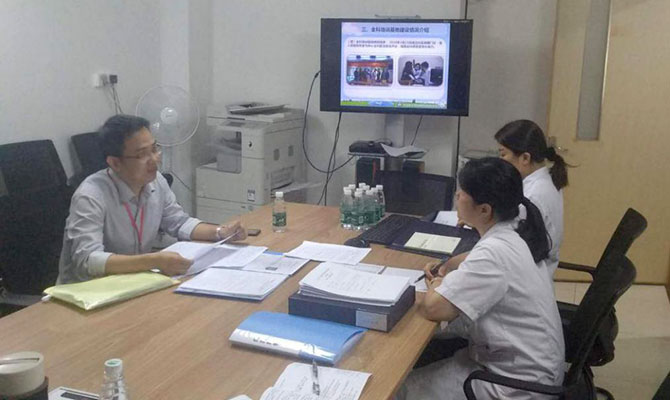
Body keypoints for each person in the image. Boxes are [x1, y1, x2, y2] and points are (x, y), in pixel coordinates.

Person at [396, 158, 564, 400]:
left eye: (462, 193)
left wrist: (437, 283)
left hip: (515, 384)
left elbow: (434, 308)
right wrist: (450, 265)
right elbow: (480, 258)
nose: (457, 196)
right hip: (522, 363)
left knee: (399, 390)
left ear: (484, 210)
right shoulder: (513, 231)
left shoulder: (494, 253)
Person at [57, 115, 247, 284]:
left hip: (132, 282)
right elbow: (88, 261)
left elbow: (179, 222)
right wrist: (154, 260)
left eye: (155, 149)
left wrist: (220, 232)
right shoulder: (91, 195)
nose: (154, 159)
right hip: (84, 294)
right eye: (142, 154)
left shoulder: (156, 181)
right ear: (115, 163)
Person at [495, 119, 568, 279]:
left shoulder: (533, 195)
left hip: (527, 274)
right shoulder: (546, 179)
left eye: (503, 154)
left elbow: (510, 246)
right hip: (536, 269)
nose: (500, 161)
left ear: (525, 158)